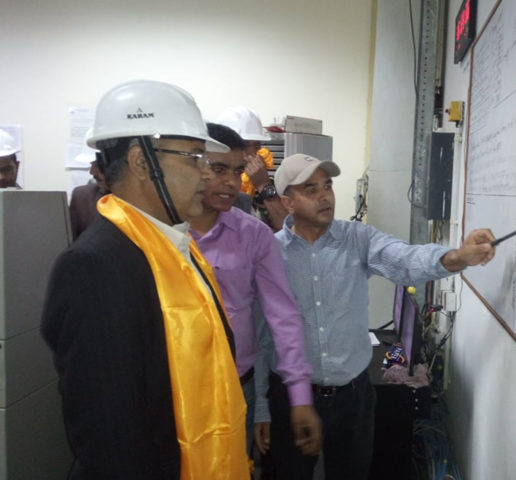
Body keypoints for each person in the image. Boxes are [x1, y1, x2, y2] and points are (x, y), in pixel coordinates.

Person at [41, 80, 249, 479]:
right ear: (141, 162)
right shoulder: (95, 267)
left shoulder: (173, 248)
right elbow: (110, 439)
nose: (207, 173)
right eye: (195, 157)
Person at [255, 154, 496, 479]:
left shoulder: (357, 238)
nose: (325, 196)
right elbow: (262, 334)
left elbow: (405, 259)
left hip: (352, 399)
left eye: (327, 186)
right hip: (290, 397)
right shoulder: (270, 253)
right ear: (287, 202)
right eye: (311, 189)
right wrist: (260, 407)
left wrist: (457, 257)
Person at [188, 122, 321, 458]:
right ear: (192, 165)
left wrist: (300, 397)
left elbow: (282, 316)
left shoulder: (254, 235)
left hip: (237, 387)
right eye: (219, 169)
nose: (232, 182)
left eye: (237, 171)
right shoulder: (159, 235)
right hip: (175, 389)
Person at [216, 106, 288, 230]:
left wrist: (263, 185)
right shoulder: (211, 182)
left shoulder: (263, 183)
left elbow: (287, 230)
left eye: (256, 145)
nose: (251, 153)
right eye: (244, 145)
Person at [69, 156, 109, 239]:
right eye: (92, 164)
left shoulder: (136, 198)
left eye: (99, 165)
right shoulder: (82, 196)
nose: (91, 172)